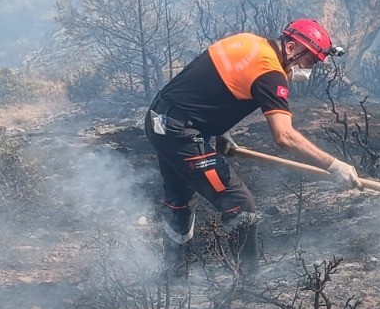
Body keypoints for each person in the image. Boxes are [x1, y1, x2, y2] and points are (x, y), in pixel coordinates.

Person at [144, 18, 361, 274]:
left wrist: (219, 132)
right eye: (309, 60)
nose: (308, 68)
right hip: (180, 133)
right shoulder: (271, 74)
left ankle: (173, 279)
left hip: (159, 120)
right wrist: (333, 165)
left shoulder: (248, 42)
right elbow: (284, 136)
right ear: (291, 47)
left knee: (180, 201)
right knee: (239, 204)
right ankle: (248, 283)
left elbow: (209, 85)